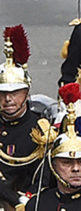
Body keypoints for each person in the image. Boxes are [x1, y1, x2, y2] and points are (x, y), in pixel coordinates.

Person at [0, 25, 55, 195]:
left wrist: (26, 201)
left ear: (26, 93)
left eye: (15, 93)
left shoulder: (39, 131)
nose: (8, 99)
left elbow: (43, 179)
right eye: (2, 93)